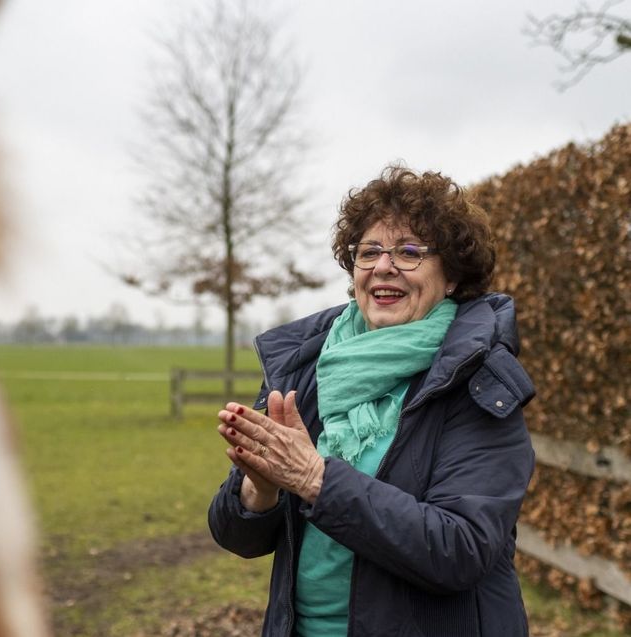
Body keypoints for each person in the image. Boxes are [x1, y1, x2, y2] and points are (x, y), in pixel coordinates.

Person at [208, 165, 536, 637]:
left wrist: (313, 477)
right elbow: (235, 535)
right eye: (370, 252)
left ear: (451, 278)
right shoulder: (310, 367)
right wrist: (261, 490)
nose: (385, 265)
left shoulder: (480, 381)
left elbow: (461, 549)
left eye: (409, 252)